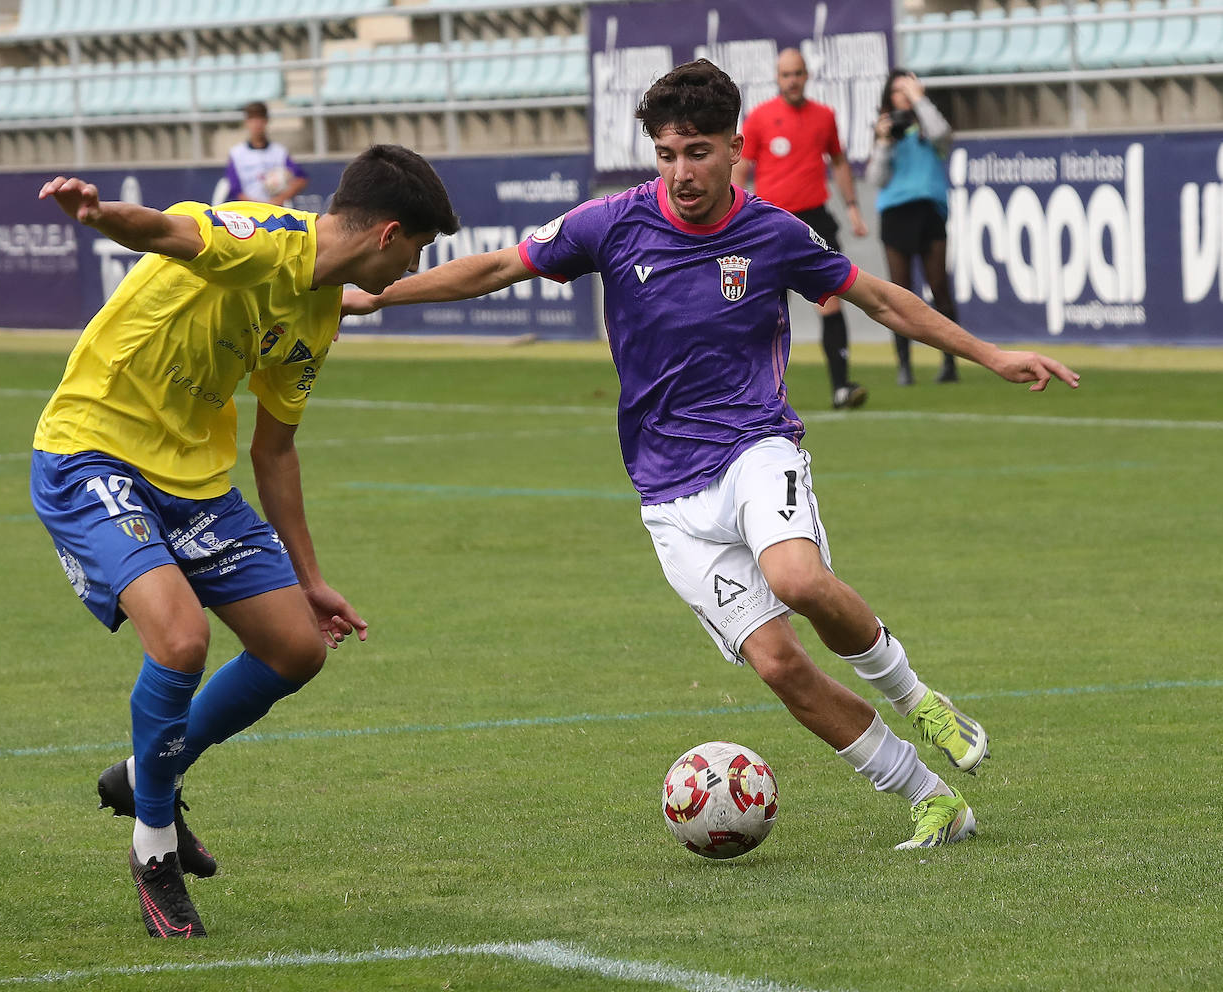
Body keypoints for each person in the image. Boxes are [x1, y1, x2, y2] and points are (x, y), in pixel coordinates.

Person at [342, 60, 1080, 851]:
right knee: (779, 667)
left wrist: (990, 354)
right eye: (666, 155)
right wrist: (382, 295)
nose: (681, 172)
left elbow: (878, 297)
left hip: (754, 448)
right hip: (667, 494)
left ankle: (918, 697)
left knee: (798, 577)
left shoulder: (774, 234)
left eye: (696, 152)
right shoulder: (612, 224)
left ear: (734, 147)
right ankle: (931, 798)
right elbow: (492, 268)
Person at [31, 145, 459, 938]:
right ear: (390, 233)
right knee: (182, 639)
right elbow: (170, 231)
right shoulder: (263, 238)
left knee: (297, 648)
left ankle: (144, 776)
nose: (411, 266)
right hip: (91, 449)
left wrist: (311, 577)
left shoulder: (323, 307)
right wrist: (99, 216)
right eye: (417, 250)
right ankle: (153, 846)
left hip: (192, 479)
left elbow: (275, 450)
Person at [733, 48, 868, 411]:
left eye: (798, 73)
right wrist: (733, 217)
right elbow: (741, 170)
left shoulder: (824, 117)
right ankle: (750, 396)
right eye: (786, 75)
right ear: (778, 79)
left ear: (807, 76)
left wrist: (853, 208)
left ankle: (841, 386)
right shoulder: (760, 119)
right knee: (762, 309)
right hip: (771, 222)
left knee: (831, 300)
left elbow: (838, 161)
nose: (792, 80)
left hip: (815, 221)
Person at [872, 69, 959, 386]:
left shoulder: (927, 122)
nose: (903, 96)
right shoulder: (885, 128)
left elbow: (943, 136)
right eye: (898, 90)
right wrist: (883, 143)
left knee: (939, 286)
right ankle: (904, 365)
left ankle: (950, 362)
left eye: (908, 89)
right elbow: (876, 179)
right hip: (895, 212)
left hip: (929, 210)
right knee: (900, 291)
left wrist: (920, 100)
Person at [224, 100, 309, 206]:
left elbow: (301, 179)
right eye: (252, 119)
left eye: (260, 119)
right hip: (248, 212)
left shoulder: (279, 152)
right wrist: (258, 207)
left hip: (274, 211)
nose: (257, 124)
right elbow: (235, 190)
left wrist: (280, 199)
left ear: (266, 121)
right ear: (246, 122)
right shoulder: (237, 154)